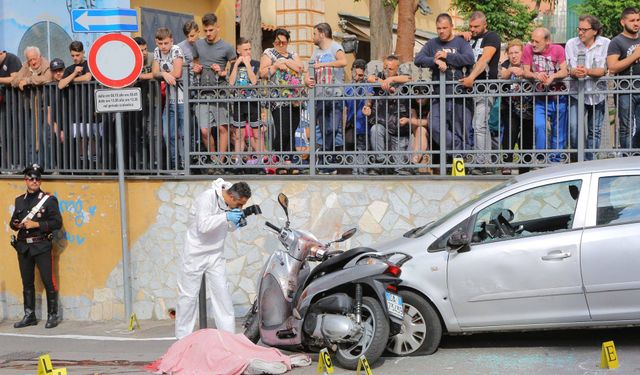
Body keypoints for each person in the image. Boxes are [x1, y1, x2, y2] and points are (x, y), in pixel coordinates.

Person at [175, 178, 252, 339]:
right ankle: (182, 340)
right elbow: (203, 226)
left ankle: (228, 339)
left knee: (222, 296)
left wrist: (237, 221)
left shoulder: (230, 199)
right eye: (239, 204)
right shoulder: (207, 197)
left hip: (215, 254)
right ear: (230, 197)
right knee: (188, 297)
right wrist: (226, 217)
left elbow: (227, 227)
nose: (240, 207)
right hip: (194, 253)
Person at [9, 164, 63, 329]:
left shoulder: (49, 200)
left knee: (48, 281)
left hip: (41, 245)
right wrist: (16, 225)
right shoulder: (19, 200)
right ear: (25, 180)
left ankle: (52, 315)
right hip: (24, 247)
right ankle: (29, 315)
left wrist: (36, 224)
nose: (35, 181)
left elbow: (57, 223)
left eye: (37, 178)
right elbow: (13, 222)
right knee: (27, 282)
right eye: (31, 178)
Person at [414, 13, 475, 152]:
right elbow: (418, 59)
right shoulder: (432, 43)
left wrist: (447, 56)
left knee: (462, 130)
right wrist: (434, 61)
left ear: (452, 27)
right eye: (438, 28)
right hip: (439, 95)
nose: (441, 31)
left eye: (444, 28)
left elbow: (469, 59)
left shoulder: (461, 42)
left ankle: (461, 165)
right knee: (435, 127)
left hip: (460, 95)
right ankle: (463, 150)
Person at [458, 11, 502, 174]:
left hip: (485, 86)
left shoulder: (492, 37)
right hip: (470, 89)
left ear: (485, 24)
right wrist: (459, 36)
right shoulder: (468, 38)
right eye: (470, 26)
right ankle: (485, 161)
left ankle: (482, 162)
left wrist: (471, 77)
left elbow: (485, 59)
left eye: (476, 26)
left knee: (479, 124)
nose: (473, 29)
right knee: (478, 125)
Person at [193, 13, 236, 165]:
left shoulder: (227, 47)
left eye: (211, 30)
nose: (208, 33)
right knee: (204, 130)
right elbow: (194, 62)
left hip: (220, 93)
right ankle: (213, 158)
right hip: (202, 93)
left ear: (218, 28)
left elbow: (235, 67)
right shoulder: (198, 44)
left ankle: (221, 161)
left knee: (222, 128)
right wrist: (196, 68)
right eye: (206, 31)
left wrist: (223, 72)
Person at [259, 28, 303, 174]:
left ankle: (288, 161)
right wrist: (276, 65)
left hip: (294, 98)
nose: (281, 45)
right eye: (278, 42)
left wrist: (285, 61)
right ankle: (280, 160)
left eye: (284, 42)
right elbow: (263, 73)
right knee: (283, 130)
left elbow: (300, 68)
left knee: (291, 130)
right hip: (277, 99)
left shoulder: (293, 54)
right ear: (274, 42)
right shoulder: (268, 53)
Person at [566, 14, 610, 161]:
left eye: (584, 30)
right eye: (579, 29)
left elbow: (604, 69)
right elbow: (569, 68)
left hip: (598, 94)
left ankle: (590, 163)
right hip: (576, 93)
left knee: (594, 131)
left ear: (595, 31)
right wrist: (574, 71)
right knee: (573, 128)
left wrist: (588, 71)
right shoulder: (571, 44)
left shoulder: (606, 43)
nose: (580, 33)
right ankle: (578, 160)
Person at [305, 22, 347, 175]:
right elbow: (309, 69)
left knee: (333, 128)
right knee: (323, 130)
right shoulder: (315, 52)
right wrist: (306, 79)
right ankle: (327, 161)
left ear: (322, 33)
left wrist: (323, 65)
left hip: (335, 95)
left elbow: (343, 62)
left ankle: (327, 159)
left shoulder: (335, 47)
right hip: (320, 97)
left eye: (315, 34)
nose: (313, 37)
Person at [522, 27, 568, 162]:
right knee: (539, 126)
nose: (533, 44)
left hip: (559, 96)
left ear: (547, 41)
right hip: (540, 97)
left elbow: (565, 71)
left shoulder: (558, 50)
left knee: (558, 130)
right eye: (532, 40)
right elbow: (525, 71)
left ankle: (556, 160)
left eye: (537, 41)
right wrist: (536, 75)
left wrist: (553, 76)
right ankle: (541, 158)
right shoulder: (528, 49)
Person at [362, 55, 412, 175]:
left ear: (396, 69)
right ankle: (379, 163)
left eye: (390, 69)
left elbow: (409, 78)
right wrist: (367, 106)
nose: (386, 71)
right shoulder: (379, 77)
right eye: (385, 67)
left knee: (400, 168)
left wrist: (391, 80)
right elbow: (369, 78)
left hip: (398, 127)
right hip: (382, 122)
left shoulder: (402, 80)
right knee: (375, 129)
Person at [607, 7, 640, 149]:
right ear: (622, 22)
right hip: (625, 90)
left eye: (638, 20)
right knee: (626, 128)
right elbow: (612, 67)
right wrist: (635, 55)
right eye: (632, 20)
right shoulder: (616, 42)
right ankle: (627, 157)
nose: (636, 23)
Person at [152, 27, 185, 170]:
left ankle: (187, 164)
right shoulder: (156, 51)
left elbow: (177, 73)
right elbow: (154, 73)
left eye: (166, 43)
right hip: (170, 100)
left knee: (184, 134)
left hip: (183, 99)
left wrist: (162, 73)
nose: (163, 47)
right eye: (160, 44)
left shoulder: (176, 50)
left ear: (171, 41)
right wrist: (164, 75)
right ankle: (174, 164)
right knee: (167, 134)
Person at [500, 39, 534, 174]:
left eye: (517, 52)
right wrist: (510, 70)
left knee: (526, 138)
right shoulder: (506, 64)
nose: (513, 56)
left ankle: (524, 167)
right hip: (510, 107)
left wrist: (523, 72)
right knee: (510, 133)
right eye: (511, 53)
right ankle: (506, 163)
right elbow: (501, 75)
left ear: (523, 52)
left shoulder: (527, 63)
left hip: (528, 107)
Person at [228, 37, 263, 164]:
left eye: (249, 49)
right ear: (238, 51)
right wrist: (237, 64)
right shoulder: (233, 65)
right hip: (239, 103)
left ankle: (260, 161)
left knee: (256, 134)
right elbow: (231, 83)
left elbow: (254, 81)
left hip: (253, 102)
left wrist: (248, 64)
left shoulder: (255, 63)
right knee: (239, 135)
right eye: (245, 49)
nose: (248, 52)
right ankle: (238, 160)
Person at [344, 58, 372, 175]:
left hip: (363, 124)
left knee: (362, 147)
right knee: (352, 147)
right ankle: (356, 171)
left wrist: (367, 105)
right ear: (352, 72)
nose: (359, 77)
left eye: (361, 75)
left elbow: (369, 98)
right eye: (357, 74)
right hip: (351, 125)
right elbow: (345, 109)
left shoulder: (367, 86)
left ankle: (362, 171)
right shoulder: (347, 88)